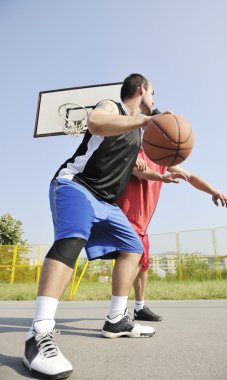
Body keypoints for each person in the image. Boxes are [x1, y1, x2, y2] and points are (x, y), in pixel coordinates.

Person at [23, 74, 160, 380]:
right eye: (153, 92)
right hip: (76, 186)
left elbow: (140, 170)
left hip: (106, 203)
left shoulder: (135, 134)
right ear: (141, 89)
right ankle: (38, 334)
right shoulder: (112, 107)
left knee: (133, 247)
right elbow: (97, 123)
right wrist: (141, 123)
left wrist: (160, 177)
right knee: (72, 238)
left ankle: (116, 320)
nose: (155, 98)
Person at [116, 137, 227, 322]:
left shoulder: (162, 159)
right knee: (133, 262)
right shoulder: (134, 150)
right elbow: (138, 171)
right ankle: (118, 312)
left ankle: (139, 307)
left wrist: (214, 191)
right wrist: (162, 178)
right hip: (126, 217)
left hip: (142, 222)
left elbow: (190, 177)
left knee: (144, 265)